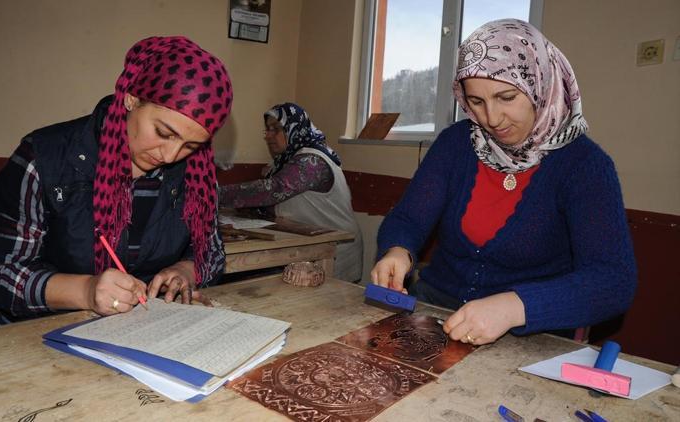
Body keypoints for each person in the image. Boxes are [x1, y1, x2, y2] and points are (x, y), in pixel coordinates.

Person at [371, 19, 636, 345]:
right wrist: (397, 251)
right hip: (436, 312)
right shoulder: (456, 144)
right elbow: (409, 218)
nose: (491, 119)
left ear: (541, 84)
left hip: (532, 334)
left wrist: (515, 306)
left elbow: (612, 280)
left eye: (506, 97)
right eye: (477, 102)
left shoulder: (584, 166)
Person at [0, 36, 233, 324]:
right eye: (164, 133)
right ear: (132, 97)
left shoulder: (196, 175)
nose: (172, 155)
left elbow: (212, 253)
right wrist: (85, 291)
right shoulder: (44, 159)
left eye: (191, 145)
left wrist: (187, 270)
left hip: (145, 330)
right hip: (41, 333)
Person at [219, 103, 363, 282]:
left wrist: (214, 195)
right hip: (308, 244)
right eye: (267, 130)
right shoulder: (286, 161)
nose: (269, 136)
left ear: (295, 128)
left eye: (276, 129)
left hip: (336, 249)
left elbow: (274, 189)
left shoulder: (313, 160)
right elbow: (282, 203)